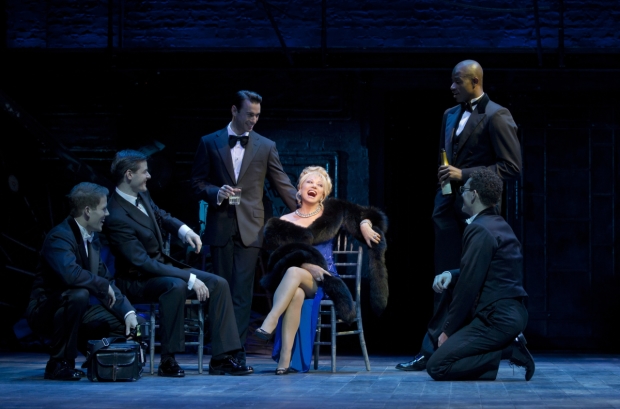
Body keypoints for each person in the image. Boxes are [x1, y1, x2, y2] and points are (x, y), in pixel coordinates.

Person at [104, 150, 252, 377]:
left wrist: (184, 231)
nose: (150, 176)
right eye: (145, 172)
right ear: (129, 175)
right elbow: (142, 262)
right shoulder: (115, 215)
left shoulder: (141, 195)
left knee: (218, 283)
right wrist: (189, 277)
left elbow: (160, 215)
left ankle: (222, 358)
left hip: (160, 267)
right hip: (136, 279)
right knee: (176, 286)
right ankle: (168, 360)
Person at [191, 90, 297, 364]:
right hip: (221, 224)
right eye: (249, 114)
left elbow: (281, 182)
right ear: (234, 111)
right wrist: (216, 191)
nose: (254, 120)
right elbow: (197, 183)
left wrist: (306, 208)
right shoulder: (209, 142)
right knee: (221, 289)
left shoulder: (265, 145)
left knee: (241, 292)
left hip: (251, 226)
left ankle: (236, 353)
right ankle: (219, 353)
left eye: (258, 115)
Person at [401, 169, 534, 381]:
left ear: (474, 195)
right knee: (445, 358)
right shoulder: (497, 224)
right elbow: (483, 270)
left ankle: (508, 350)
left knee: (437, 366)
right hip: (509, 315)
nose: (461, 194)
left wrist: (448, 330)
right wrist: (451, 275)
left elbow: (468, 287)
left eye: (464, 190)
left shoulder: (480, 229)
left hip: (496, 319)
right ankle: (507, 347)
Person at [253, 166, 389, 374]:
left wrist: (364, 223)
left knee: (293, 274)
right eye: (309, 182)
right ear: (299, 188)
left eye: (319, 185)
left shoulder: (333, 212)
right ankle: (285, 358)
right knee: (295, 286)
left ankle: (271, 320)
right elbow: (276, 260)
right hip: (295, 280)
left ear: (323, 194)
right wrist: (307, 265)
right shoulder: (281, 223)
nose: (314, 186)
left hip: (326, 280)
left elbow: (364, 214)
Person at [27, 182, 140, 381]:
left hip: (76, 309)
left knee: (122, 322)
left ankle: (99, 359)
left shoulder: (92, 239)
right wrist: (102, 285)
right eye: (103, 209)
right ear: (88, 211)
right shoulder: (59, 237)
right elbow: (70, 274)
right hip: (47, 311)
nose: (107, 214)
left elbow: (107, 280)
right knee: (80, 294)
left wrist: (128, 313)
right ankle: (58, 363)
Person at [433, 60, 522, 294]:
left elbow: (511, 167)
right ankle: (445, 326)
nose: (452, 87)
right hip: (447, 204)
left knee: (475, 270)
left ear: (475, 81)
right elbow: (446, 155)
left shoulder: (497, 114)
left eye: (457, 81)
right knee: (445, 272)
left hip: (478, 205)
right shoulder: (449, 114)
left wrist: (463, 174)